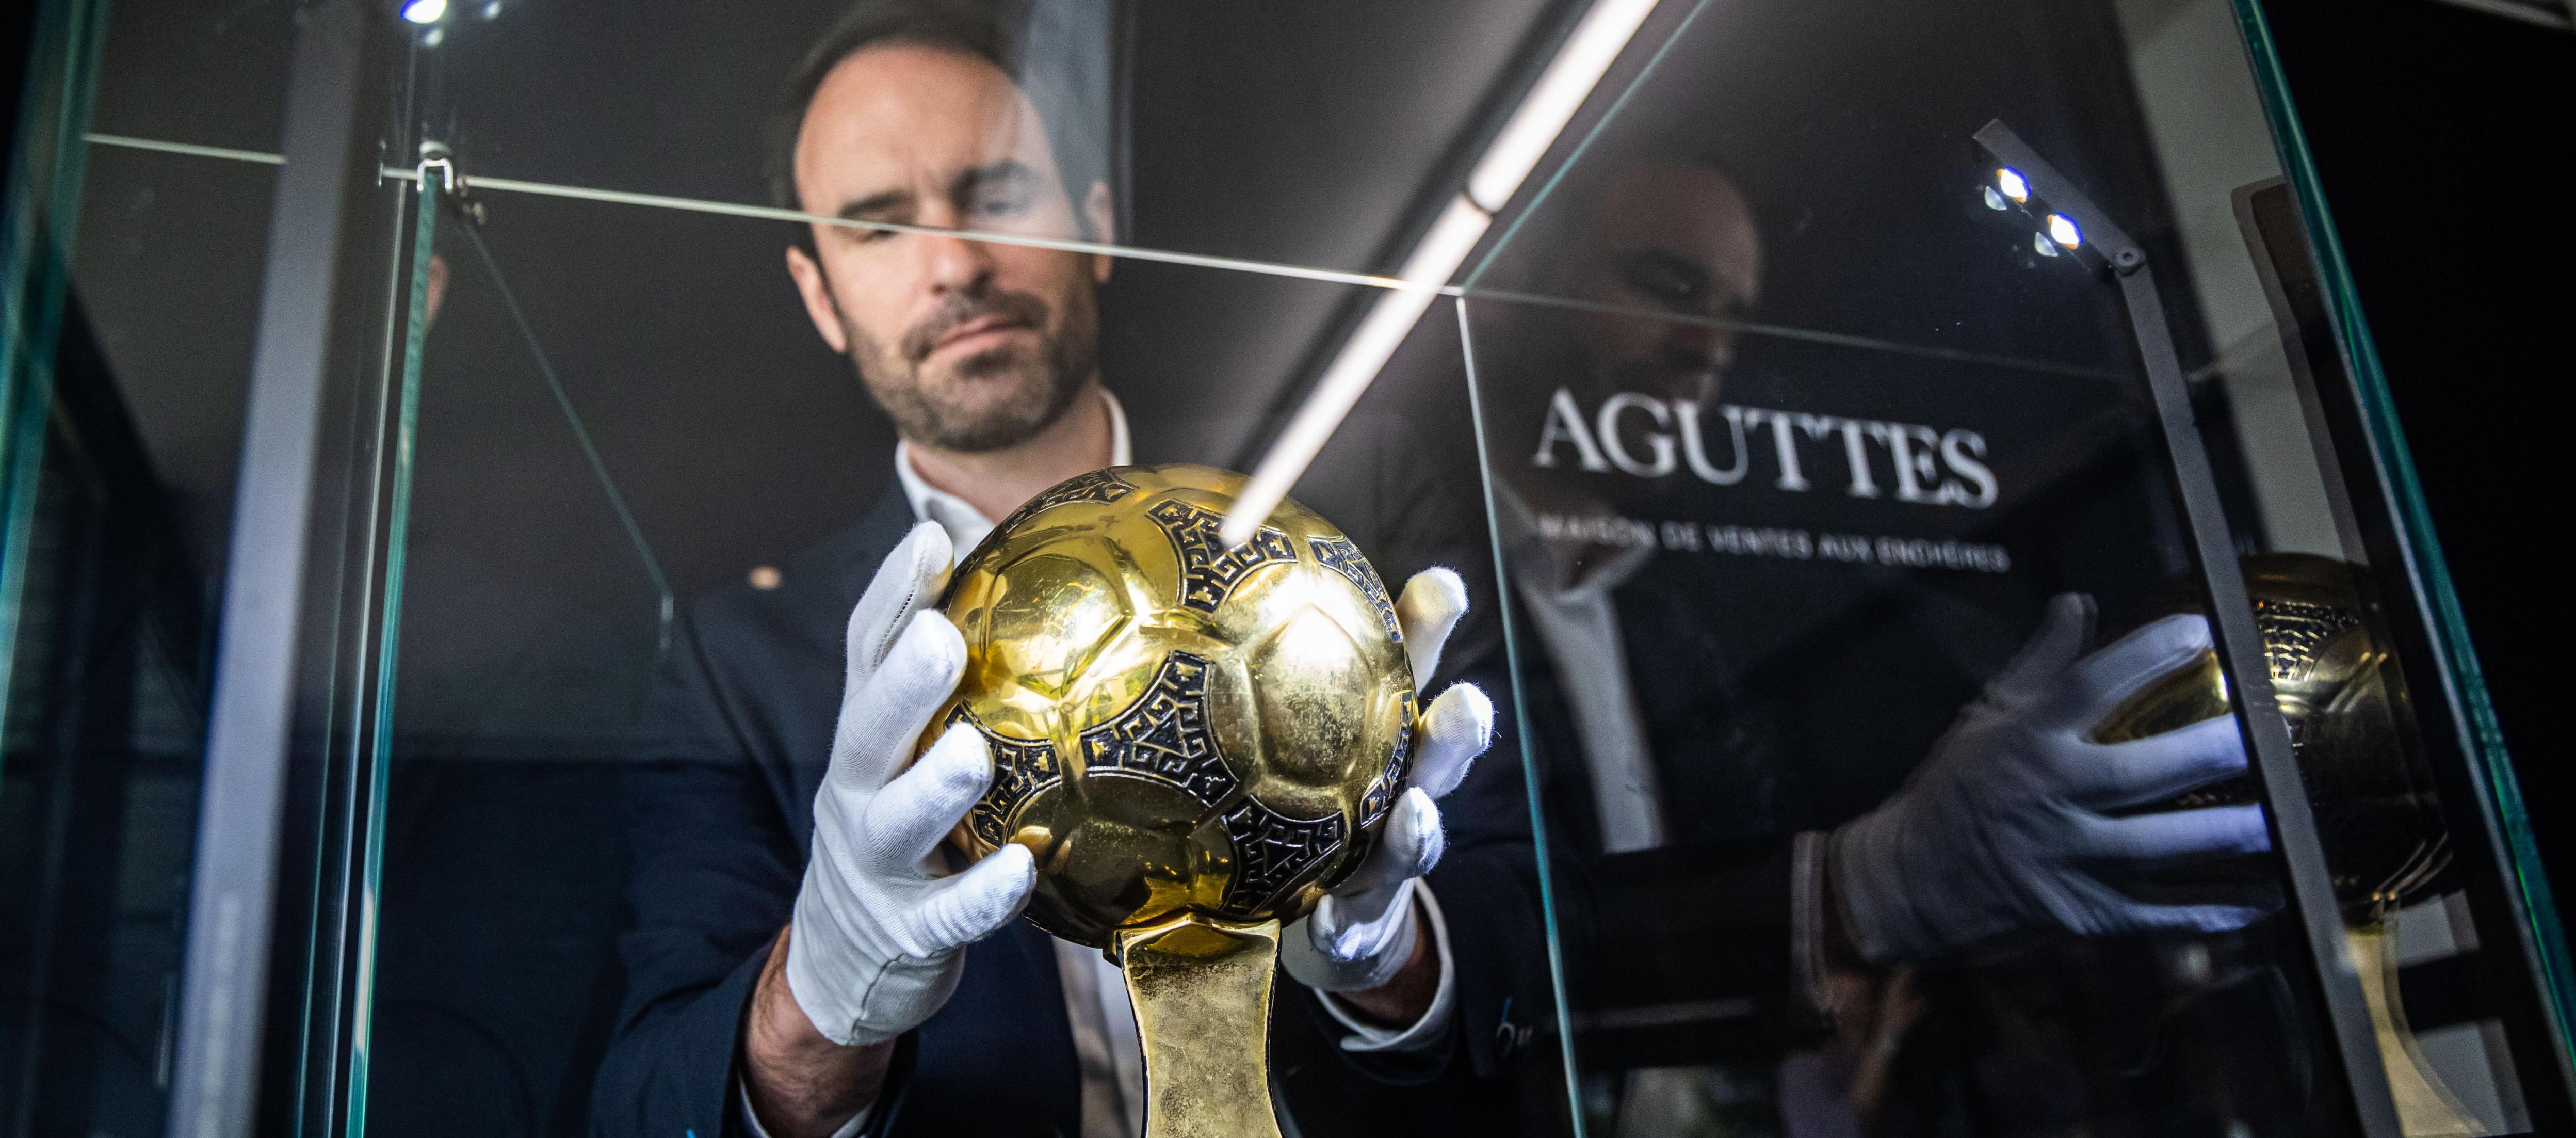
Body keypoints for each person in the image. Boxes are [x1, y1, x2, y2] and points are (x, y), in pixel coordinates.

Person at [588, 5, 1539, 1136]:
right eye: (877, 227)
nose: (955, 264)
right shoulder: (733, 660)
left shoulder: (1349, 514)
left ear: (1097, 220)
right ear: (818, 294)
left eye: (994, 195)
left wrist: (1393, 952)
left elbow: (1546, 927)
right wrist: (822, 997)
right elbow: (649, 1101)